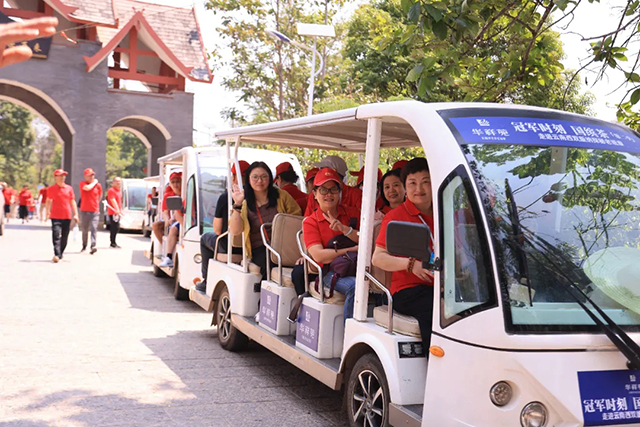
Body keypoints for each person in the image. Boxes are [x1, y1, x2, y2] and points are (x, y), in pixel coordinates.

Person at [372, 158, 435, 349]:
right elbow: (378, 258)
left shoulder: (446, 211)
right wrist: (410, 265)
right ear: (405, 188)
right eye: (413, 183)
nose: (419, 189)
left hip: (443, 286)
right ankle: (434, 367)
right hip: (408, 291)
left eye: (426, 182)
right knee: (435, 309)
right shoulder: (395, 217)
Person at [303, 168, 361, 322]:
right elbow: (319, 255)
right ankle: (349, 336)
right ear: (314, 194)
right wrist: (350, 250)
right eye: (323, 190)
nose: (329, 194)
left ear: (340, 193)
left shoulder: (352, 213)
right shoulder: (310, 222)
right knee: (356, 286)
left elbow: (367, 242)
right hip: (329, 272)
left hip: (358, 267)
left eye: (333, 189)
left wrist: (345, 229)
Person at [229, 161, 302, 279]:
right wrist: (237, 204)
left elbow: (296, 219)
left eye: (264, 177)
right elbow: (235, 231)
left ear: (270, 179)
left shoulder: (282, 196)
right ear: (248, 179)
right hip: (259, 248)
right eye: (255, 177)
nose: (259, 181)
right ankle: (265, 296)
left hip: (283, 246)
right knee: (267, 263)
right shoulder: (244, 200)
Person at [195, 161, 249, 292]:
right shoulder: (256, 197)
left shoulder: (226, 197)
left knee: (205, 238)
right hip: (250, 246)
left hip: (228, 246)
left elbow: (218, 230)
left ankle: (206, 280)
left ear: (235, 177)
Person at [46, 169, 79, 263]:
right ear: (55, 177)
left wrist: (76, 214)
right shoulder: (51, 189)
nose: (62, 177)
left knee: (65, 236)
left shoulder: (69, 188)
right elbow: (48, 201)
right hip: (55, 216)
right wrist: (48, 212)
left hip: (67, 215)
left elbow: (72, 201)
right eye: (60, 176)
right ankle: (56, 254)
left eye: (63, 176)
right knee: (56, 234)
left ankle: (60, 253)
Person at [158, 172, 183, 267]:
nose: (175, 185)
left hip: (185, 219)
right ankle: (168, 256)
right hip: (175, 220)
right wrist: (167, 220)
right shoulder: (168, 195)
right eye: (173, 182)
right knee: (171, 228)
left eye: (177, 182)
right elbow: (165, 212)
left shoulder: (186, 192)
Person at [79, 168, 102, 254]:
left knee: (94, 227)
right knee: (85, 229)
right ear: (85, 176)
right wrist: (95, 182)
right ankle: (84, 245)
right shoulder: (82, 184)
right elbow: (87, 188)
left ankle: (93, 246)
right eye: (90, 175)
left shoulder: (98, 186)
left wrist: (96, 204)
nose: (92, 176)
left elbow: (100, 195)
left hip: (95, 210)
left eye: (93, 175)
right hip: (85, 210)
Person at [106, 177, 123, 248]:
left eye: (119, 181)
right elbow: (112, 200)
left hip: (118, 212)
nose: (118, 183)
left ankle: (114, 241)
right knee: (114, 227)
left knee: (117, 227)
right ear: (113, 182)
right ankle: (112, 242)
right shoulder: (111, 190)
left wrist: (120, 210)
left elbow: (120, 201)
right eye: (116, 181)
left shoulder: (119, 191)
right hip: (113, 212)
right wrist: (117, 209)